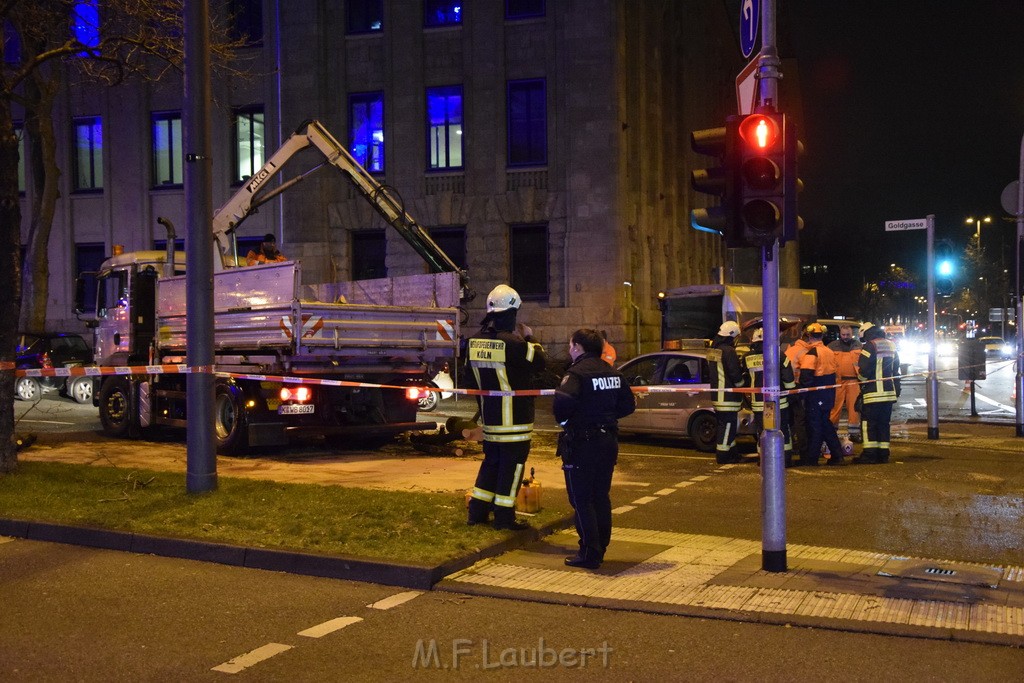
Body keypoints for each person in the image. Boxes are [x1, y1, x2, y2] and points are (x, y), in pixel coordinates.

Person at [465, 284, 547, 530]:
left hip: (490, 419)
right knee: (512, 468)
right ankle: (504, 518)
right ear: (512, 314)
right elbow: (540, 361)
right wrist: (530, 336)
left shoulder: (473, 343)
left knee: (491, 463)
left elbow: (470, 380)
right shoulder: (514, 344)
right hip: (516, 422)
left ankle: (477, 513)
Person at [553, 328, 636, 569]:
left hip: (583, 442)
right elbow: (628, 405)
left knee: (581, 498)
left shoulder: (576, 374)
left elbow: (562, 405)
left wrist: (570, 422)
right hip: (608, 440)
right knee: (600, 496)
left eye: (571, 346)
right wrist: (607, 417)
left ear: (578, 347)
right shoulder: (613, 373)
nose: (569, 350)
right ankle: (601, 546)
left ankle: (589, 552)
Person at [742, 327, 795, 467]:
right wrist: (791, 394)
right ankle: (785, 459)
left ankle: (763, 460)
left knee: (762, 431)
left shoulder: (747, 357)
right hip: (779, 401)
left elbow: (746, 380)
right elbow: (788, 379)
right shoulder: (779, 355)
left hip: (758, 402)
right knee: (783, 429)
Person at [796, 323, 846, 466]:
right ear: (822, 335)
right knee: (825, 423)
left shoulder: (811, 353)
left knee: (815, 425)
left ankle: (812, 458)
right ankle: (837, 455)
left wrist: (801, 395)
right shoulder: (829, 351)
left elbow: (806, 376)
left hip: (815, 393)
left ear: (809, 336)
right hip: (828, 393)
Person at [856, 323, 901, 464]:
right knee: (883, 424)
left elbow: (863, 371)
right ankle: (883, 453)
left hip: (872, 393)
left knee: (868, 424)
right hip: (889, 393)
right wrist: (897, 390)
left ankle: (869, 454)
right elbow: (896, 370)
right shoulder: (892, 345)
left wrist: (861, 383)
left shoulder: (870, 346)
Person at [708, 320, 745, 464]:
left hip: (717, 395)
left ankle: (733, 453)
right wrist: (742, 385)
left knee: (725, 426)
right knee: (728, 426)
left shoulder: (713, 350)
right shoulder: (729, 351)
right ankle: (723, 456)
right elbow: (735, 375)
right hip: (728, 396)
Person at [828, 324, 863, 442]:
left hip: (853, 381)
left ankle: (854, 433)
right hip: (838, 381)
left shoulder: (858, 345)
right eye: (843, 334)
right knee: (835, 408)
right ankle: (831, 432)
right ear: (840, 334)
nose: (845, 337)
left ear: (852, 334)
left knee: (853, 408)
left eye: (848, 334)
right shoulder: (832, 346)